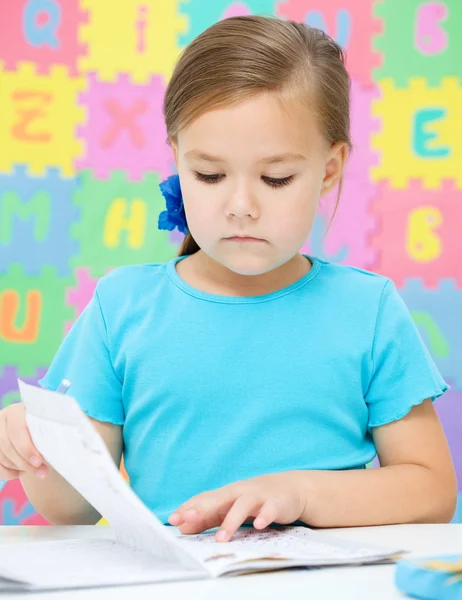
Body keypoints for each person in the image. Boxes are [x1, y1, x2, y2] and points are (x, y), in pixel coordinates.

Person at [0, 16, 457, 543]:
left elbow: (432, 491)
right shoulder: (121, 307)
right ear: (176, 159)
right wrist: (35, 449)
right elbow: (72, 509)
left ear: (329, 169)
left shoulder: (368, 309)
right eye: (210, 175)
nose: (241, 207)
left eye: (276, 178)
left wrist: (301, 493)